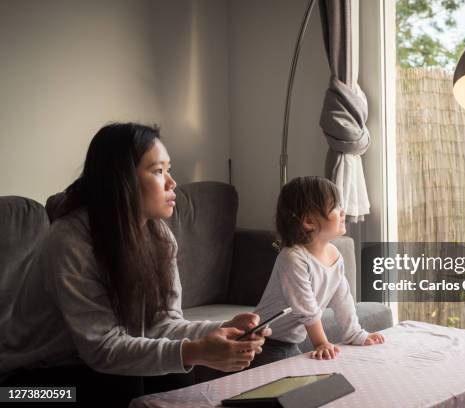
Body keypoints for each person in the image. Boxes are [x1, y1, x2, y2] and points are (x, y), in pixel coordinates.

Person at [0, 123, 270, 407]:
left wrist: (222, 330)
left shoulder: (158, 234)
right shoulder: (69, 241)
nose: (171, 182)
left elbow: (163, 325)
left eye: (169, 169)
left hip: (87, 368)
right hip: (25, 388)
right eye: (158, 171)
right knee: (121, 381)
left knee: (170, 375)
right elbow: (103, 350)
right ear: (122, 180)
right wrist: (195, 352)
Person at [251, 176, 384, 367]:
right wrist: (321, 343)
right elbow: (306, 308)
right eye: (336, 206)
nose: (342, 211)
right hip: (263, 341)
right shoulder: (292, 258)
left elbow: (342, 299)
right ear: (308, 221)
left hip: (289, 342)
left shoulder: (334, 254)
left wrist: (355, 334)